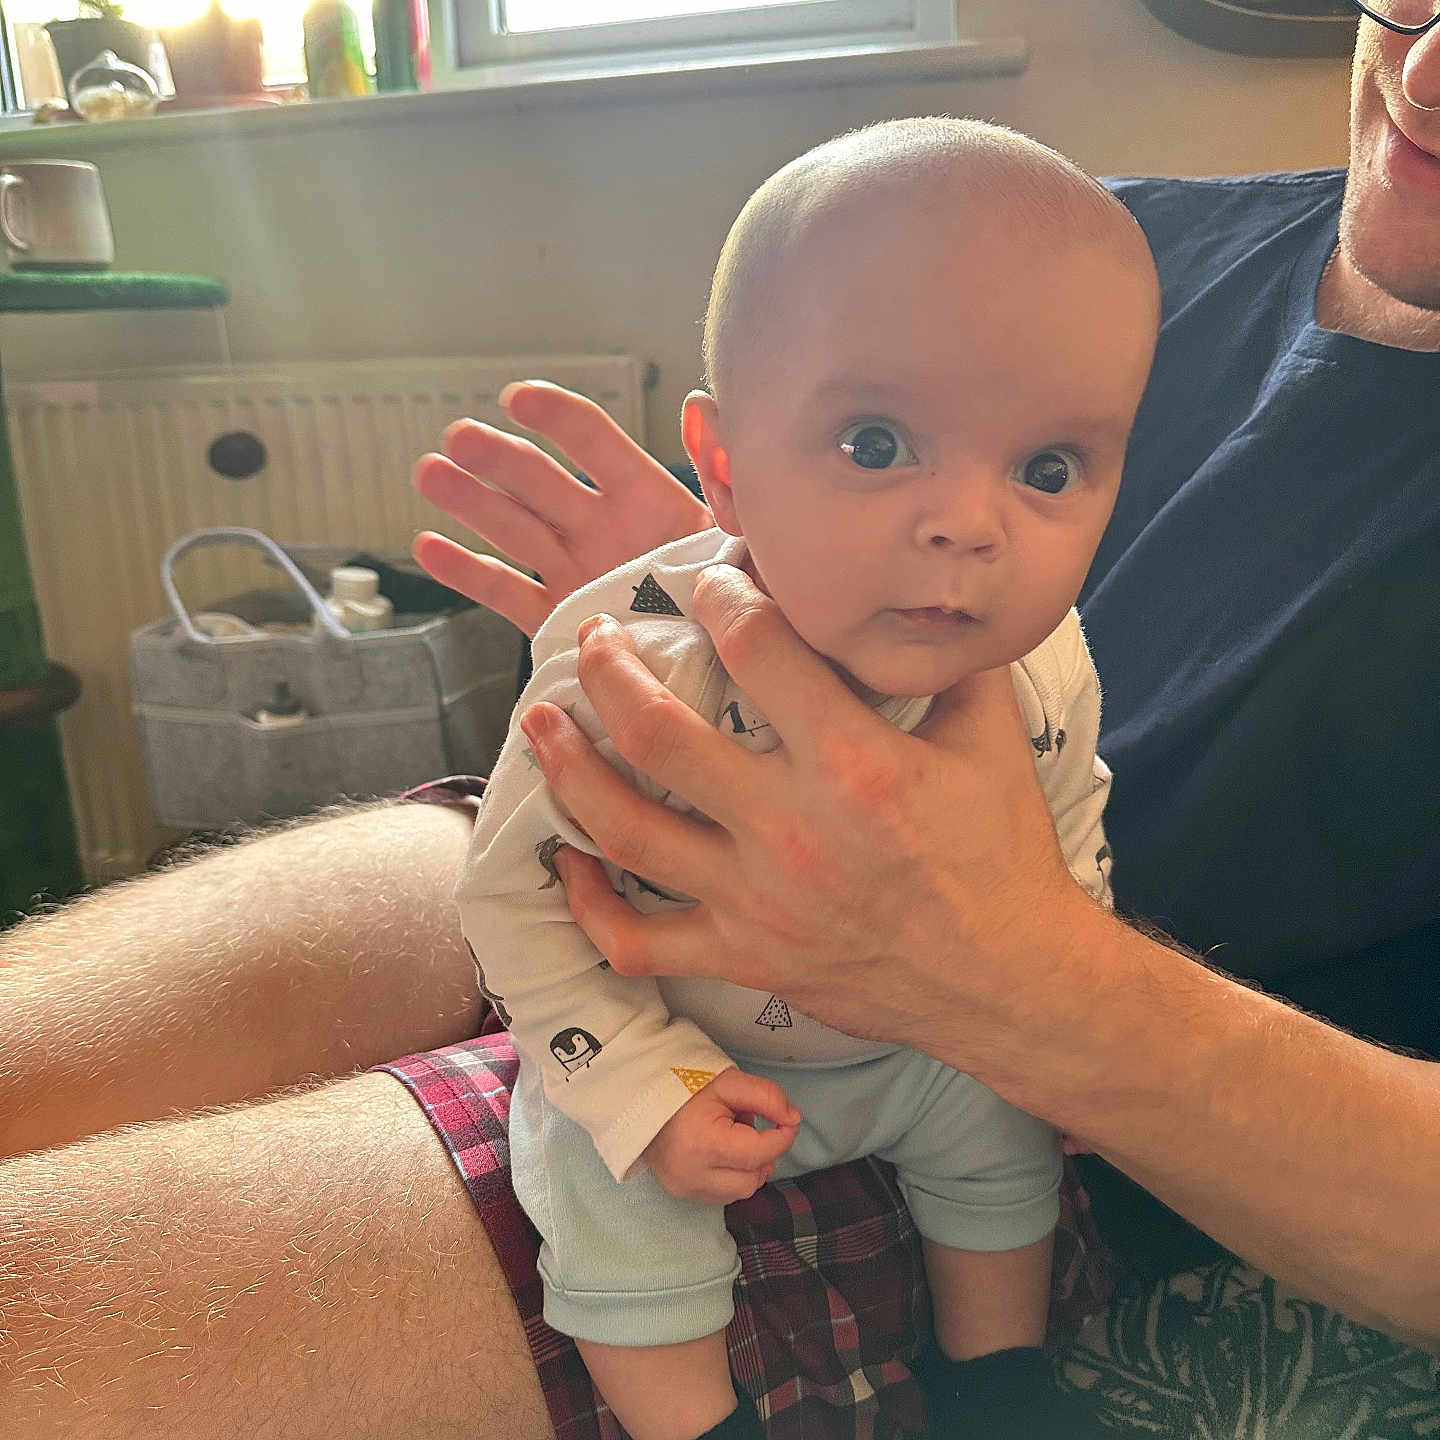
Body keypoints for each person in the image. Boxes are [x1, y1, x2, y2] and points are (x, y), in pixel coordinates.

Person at [2, 4, 1438, 1435]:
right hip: (637, 849)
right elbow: (524, 882)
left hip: (1059, 1091)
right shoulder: (1103, 245)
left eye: (1050, 470)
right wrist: (750, 597)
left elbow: (1074, 818)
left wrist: (1025, 977)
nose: (1426, 70)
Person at [461, 118, 1156, 1440]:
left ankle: (997, 1380)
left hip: (928, 1042)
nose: (968, 522)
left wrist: (1066, 1020)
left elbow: (1071, 848)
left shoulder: (1046, 666)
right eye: (878, 444)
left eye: (1049, 470)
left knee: (1001, 1133)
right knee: (589, 1169)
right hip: (685, 1038)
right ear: (721, 464)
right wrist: (637, 1081)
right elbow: (516, 911)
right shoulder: (626, 681)